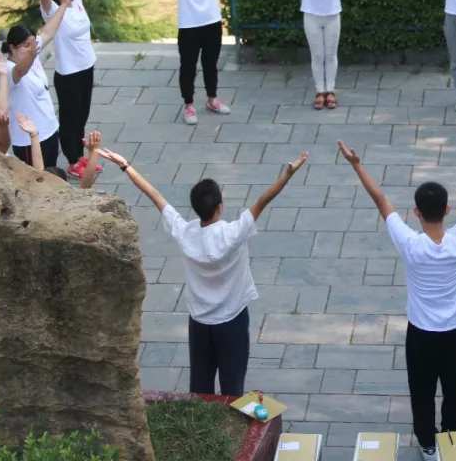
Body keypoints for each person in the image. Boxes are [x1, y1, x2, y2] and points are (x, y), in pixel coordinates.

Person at [338, 136, 456, 460]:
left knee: (421, 392)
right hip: (455, 332)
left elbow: (381, 200)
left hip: (421, 334)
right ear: (447, 210)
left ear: (416, 213)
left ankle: (427, 444)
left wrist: (357, 165)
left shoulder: (410, 244)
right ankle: (451, 440)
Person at [96, 145, 308, 395]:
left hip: (199, 322)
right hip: (232, 320)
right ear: (220, 206)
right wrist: (287, 174)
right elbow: (263, 200)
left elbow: (154, 195)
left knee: (200, 388)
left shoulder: (186, 233)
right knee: (232, 387)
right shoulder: (233, 233)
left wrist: (126, 166)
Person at [13, 0, 99, 179]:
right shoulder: (52, 9)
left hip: (87, 67)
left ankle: (81, 156)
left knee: (82, 116)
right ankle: (73, 160)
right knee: (70, 119)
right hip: (68, 74)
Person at [2, 0, 73, 169]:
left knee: (50, 175)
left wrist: (63, 5)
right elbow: (20, 71)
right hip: (27, 139)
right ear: (12, 47)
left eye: (33, 44)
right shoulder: (7, 69)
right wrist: (33, 53)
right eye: (26, 45)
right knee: (35, 179)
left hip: (49, 130)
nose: (32, 48)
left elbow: (49, 31)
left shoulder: (31, 52)